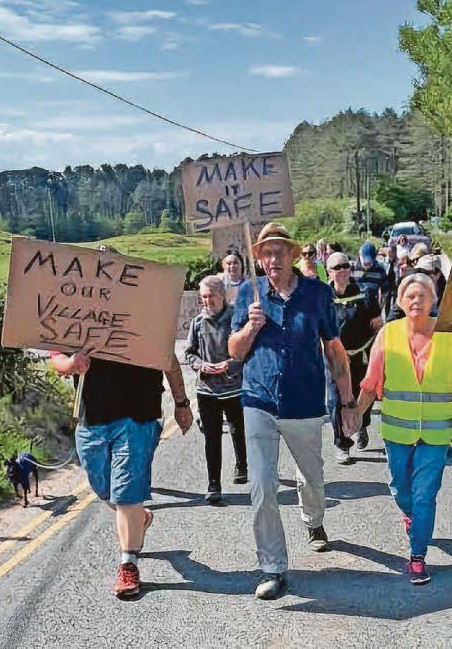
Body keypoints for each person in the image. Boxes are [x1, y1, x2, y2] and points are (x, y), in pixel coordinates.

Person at [229, 222, 359, 600]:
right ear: (259, 259)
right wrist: (250, 328)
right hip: (259, 400)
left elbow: (334, 350)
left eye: (279, 252)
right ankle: (273, 567)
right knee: (262, 485)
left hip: (304, 403)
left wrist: (348, 402)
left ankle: (313, 520)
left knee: (312, 477)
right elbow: (234, 350)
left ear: (292, 255)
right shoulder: (247, 293)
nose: (273, 259)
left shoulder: (317, 294)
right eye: (266, 253)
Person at [356, 273, 452, 585]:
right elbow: (371, 381)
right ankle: (412, 517)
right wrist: (355, 414)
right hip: (397, 431)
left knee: (425, 495)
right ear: (399, 301)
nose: (417, 300)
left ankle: (417, 556)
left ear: (434, 300)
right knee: (399, 488)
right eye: (410, 295)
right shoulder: (388, 334)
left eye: (423, 295)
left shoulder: (451, 338)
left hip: (435, 435)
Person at [49, 350, 193, 599]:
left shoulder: (149, 322)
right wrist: (71, 364)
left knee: (126, 491)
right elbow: (57, 356)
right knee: (103, 487)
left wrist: (182, 403)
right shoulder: (79, 322)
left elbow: (167, 356)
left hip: (139, 415)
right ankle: (138, 518)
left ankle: (128, 564)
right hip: (92, 418)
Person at [185, 275, 247, 504]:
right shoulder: (197, 323)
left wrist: (229, 365)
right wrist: (201, 365)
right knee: (211, 437)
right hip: (207, 389)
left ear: (222, 295)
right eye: (203, 297)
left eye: (211, 296)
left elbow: (246, 351)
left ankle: (242, 464)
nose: (207, 301)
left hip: (233, 387)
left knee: (238, 429)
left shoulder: (235, 319)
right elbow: (189, 353)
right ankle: (214, 484)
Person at [327, 251, 382, 464]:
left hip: (360, 356)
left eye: (345, 266)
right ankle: (342, 444)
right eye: (337, 267)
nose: (342, 270)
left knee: (362, 395)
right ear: (329, 271)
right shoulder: (323, 296)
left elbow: (376, 322)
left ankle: (361, 425)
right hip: (334, 359)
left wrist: (377, 323)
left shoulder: (365, 293)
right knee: (336, 401)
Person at [351, 240, 393, 322]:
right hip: (354, 310)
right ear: (359, 255)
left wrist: (380, 315)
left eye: (369, 262)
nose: (367, 265)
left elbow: (386, 293)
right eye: (365, 262)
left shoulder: (380, 271)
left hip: (372, 310)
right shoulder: (351, 269)